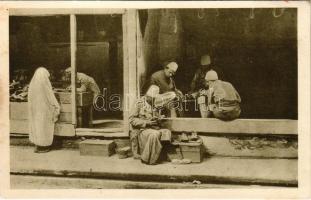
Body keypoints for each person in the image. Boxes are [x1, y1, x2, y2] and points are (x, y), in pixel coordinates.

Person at [129, 85, 174, 165]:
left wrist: (158, 118)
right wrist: (146, 122)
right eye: (152, 98)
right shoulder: (138, 103)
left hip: (153, 128)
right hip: (141, 130)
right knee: (155, 134)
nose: (154, 100)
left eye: (154, 99)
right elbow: (132, 120)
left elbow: (154, 118)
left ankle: (162, 156)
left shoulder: (154, 104)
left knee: (167, 132)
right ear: (147, 96)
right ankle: (147, 159)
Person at [28, 67, 60, 153]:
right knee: (44, 127)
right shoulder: (45, 84)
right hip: (44, 110)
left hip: (35, 110)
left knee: (37, 127)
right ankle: (44, 146)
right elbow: (51, 97)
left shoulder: (32, 84)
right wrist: (56, 106)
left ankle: (38, 145)